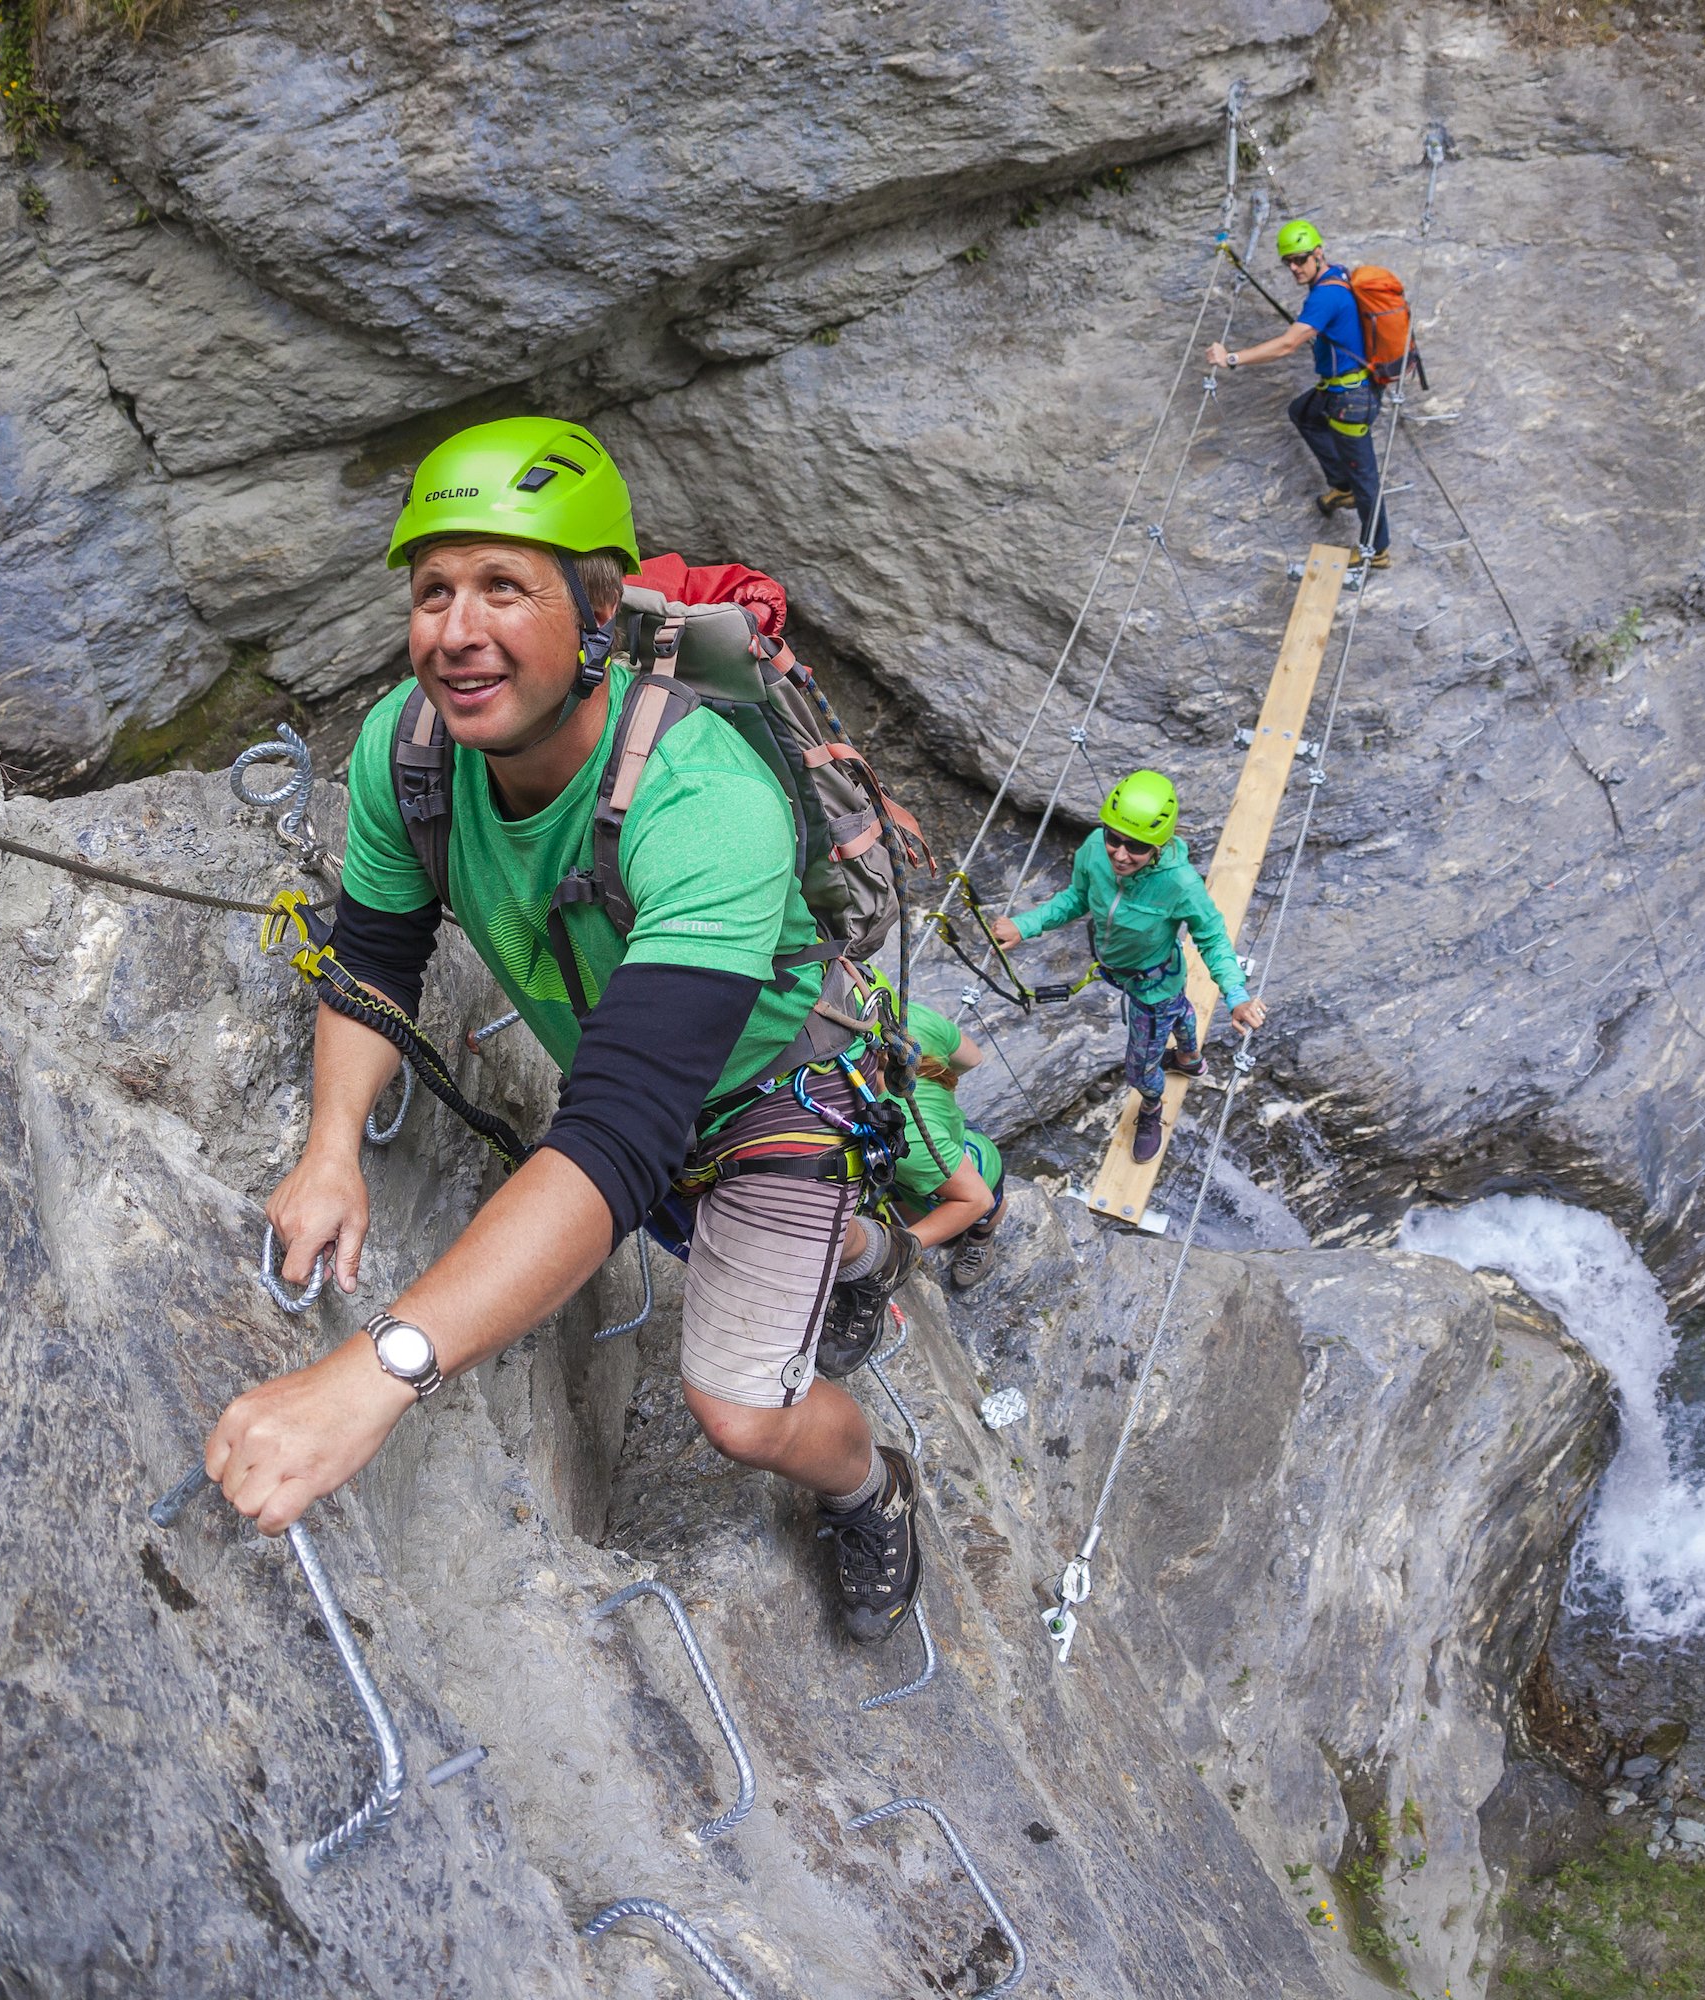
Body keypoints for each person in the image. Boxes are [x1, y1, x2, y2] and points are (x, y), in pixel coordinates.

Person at [199, 416, 926, 1645]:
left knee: (740, 1407)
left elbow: (626, 1134)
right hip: (633, 1079)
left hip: (767, 1092)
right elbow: (375, 956)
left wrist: (374, 1374)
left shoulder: (706, 801)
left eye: (504, 587)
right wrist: (331, 1146)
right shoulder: (409, 749)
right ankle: (857, 1255)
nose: (456, 630)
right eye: (433, 590)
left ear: (597, 619)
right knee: (756, 1231)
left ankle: (876, 1483)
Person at [987, 771, 1265, 1166]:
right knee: (1179, 1010)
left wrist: (1236, 997)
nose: (1119, 853)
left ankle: (1151, 1105)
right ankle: (1189, 1060)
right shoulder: (1093, 851)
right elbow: (1077, 898)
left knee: (1140, 1067)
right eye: (1113, 837)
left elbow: (1213, 938)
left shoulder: (1180, 884)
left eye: (1136, 845)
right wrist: (1026, 925)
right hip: (1122, 969)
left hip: (1153, 985)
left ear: (1159, 844)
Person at [1205, 218, 1393, 569]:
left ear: (1318, 253)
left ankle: (1376, 549)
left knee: (1365, 475)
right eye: (1288, 261)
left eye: (1300, 259)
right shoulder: (1335, 274)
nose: (1294, 268)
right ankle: (1342, 486)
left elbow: (1288, 345)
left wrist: (1231, 358)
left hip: (1350, 399)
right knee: (1303, 413)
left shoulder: (1326, 295)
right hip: (1343, 389)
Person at [882, 992, 1009, 1290]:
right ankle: (970, 1230)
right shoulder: (904, 1017)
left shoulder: (904, 1131)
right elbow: (972, 1057)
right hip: (957, 1141)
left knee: (983, 1213)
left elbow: (978, 1199)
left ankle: (980, 1238)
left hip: (972, 1169)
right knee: (917, 1197)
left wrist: (892, 1251)